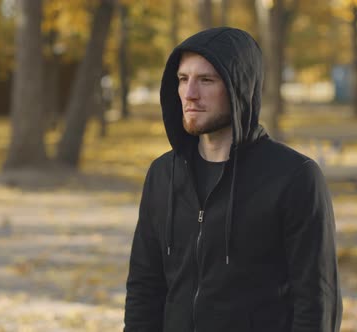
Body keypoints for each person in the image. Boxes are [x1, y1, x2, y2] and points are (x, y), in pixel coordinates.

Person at [124, 27, 342, 332]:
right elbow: (144, 289)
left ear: (240, 87)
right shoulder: (163, 174)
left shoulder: (294, 177)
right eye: (183, 79)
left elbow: (317, 301)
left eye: (206, 80)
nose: (189, 94)